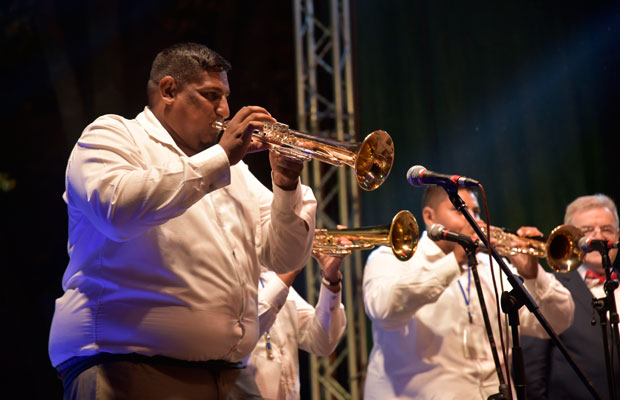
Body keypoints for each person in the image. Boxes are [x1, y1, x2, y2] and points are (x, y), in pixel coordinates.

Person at [48, 42, 317, 399]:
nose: (225, 110)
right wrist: (221, 157)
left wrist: (285, 185)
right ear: (169, 90)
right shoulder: (113, 135)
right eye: (211, 96)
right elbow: (117, 211)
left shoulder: (233, 171)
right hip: (127, 368)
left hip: (231, 375)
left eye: (225, 97)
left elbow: (285, 258)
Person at [362, 185, 575, 399]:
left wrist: (533, 275)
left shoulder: (491, 265)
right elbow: (383, 309)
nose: (473, 220)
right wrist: (455, 260)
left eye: (476, 212)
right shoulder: (391, 257)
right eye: (460, 211)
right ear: (429, 216)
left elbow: (558, 322)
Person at [521, 194, 620, 400]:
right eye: (587, 231)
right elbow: (532, 372)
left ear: (617, 236)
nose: (598, 237)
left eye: (606, 229)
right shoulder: (550, 287)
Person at [245, 251, 347, 400]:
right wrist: (292, 267)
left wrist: (331, 280)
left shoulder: (269, 277)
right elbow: (245, 330)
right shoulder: (223, 278)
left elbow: (322, 343)